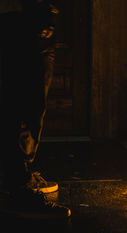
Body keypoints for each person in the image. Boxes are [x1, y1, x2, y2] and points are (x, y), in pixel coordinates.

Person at [0, 0, 71, 219]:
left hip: (33, 14)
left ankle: (18, 177)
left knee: (29, 102)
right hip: (24, 15)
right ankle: (18, 188)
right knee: (23, 104)